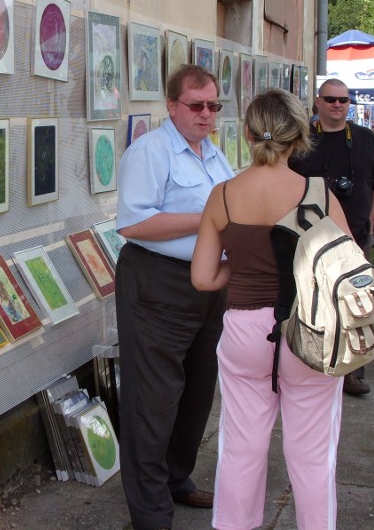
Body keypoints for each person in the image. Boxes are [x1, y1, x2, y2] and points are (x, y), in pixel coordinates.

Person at [191, 89, 349, 530]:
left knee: (241, 448)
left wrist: (239, 269)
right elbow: (348, 270)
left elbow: (203, 278)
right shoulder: (319, 194)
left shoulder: (223, 195)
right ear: (299, 136)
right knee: (313, 455)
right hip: (308, 329)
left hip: (245, 329)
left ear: (245, 132)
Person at [116, 64, 233, 530]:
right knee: (153, 400)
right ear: (171, 106)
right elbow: (133, 223)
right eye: (196, 105)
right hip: (158, 283)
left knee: (198, 390)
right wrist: (208, 216)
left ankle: (177, 479)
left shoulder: (214, 156)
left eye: (213, 106)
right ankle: (150, 514)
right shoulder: (151, 151)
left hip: (207, 286)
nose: (206, 114)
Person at [288, 78, 374, 396]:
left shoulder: (365, 139)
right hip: (309, 241)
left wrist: (371, 221)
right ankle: (309, 358)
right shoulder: (302, 140)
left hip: (355, 240)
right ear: (317, 102)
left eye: (344, 100)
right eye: (330, 99)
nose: (337, 105)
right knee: (309, 299)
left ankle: (352, 371)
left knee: (356, 304)